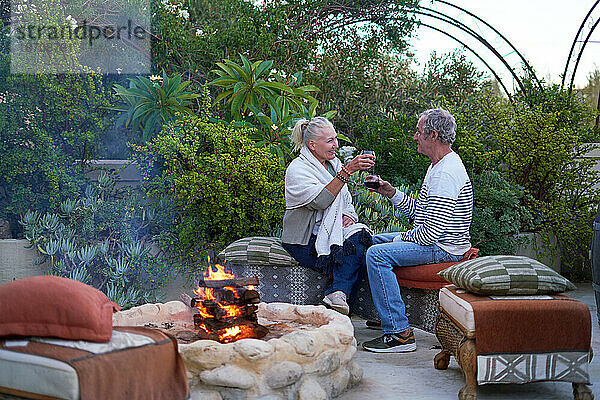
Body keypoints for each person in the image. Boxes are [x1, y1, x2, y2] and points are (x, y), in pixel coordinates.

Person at [361, 108, 473, 353]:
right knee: (368, 240)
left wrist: (398, 238)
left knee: (376, 253)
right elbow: (421, 213)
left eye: (419, 132)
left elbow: (429, 235)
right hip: (435, 240)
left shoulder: (445, 174)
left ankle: (399, 334)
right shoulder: (437, 166)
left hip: (445, 248)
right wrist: (391, 193)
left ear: (432, 135)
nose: (415, 137)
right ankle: (380, 313)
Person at [281, 117, 375, 315]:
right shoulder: (298, 169)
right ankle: (338, 299)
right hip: (303, 241)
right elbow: (320, 201)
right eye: (330, 141)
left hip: (332, 233)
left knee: (360, 238)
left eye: (335, 139)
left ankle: (337, 295)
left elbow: (345, 200)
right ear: (312, 145)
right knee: (352, 254)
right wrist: (348, 171)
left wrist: (348, 215)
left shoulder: (333, 165)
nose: (336, 145)